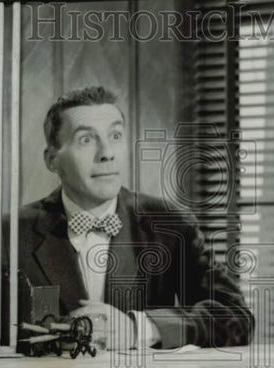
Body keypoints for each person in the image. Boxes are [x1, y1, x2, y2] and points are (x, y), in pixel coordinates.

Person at [18, 85, 253, 350]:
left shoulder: (171, 224)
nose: (107, 153)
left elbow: (237, 319)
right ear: (52, 160)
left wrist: (141, 328)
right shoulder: (9, 235)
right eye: (86, 139)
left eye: (116, 136)